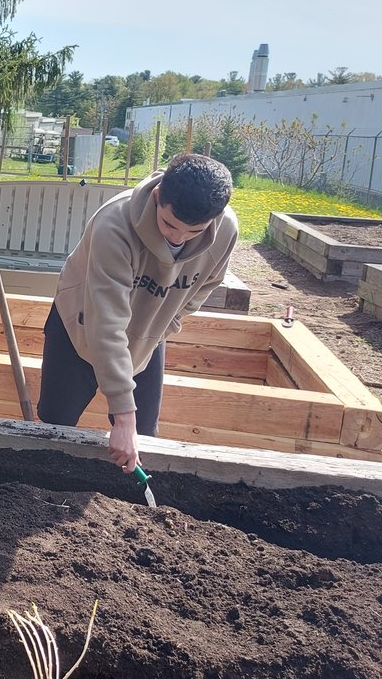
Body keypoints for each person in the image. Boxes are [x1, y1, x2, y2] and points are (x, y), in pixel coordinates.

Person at [37, 153, 237, 473]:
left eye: (192, 232)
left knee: (143, 436)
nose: (177, 237)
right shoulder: (114, 224)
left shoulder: (226, 230)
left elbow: (207, 284)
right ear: (158, 198)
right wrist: (122, 414)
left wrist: (165, 323)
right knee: (55, 426)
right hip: (81, 325)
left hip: (147, 334)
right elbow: (106, 324)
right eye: (169, 224)